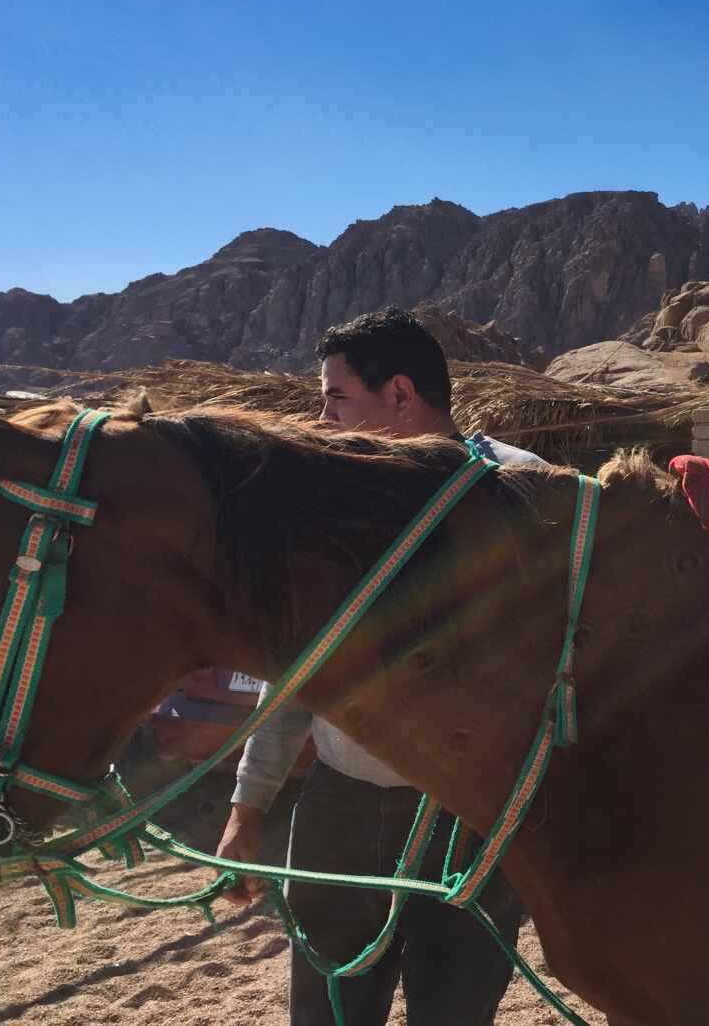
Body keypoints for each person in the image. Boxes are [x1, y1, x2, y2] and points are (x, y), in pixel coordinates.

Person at [216, 306, 536, 1026]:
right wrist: (248, 808)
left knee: (454, 1012)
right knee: (326, 1008)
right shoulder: (328, 504)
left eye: (335, 397)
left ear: (399, 394)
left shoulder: (521, 490)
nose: (321, 419)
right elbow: (297, 663)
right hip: (343, 808)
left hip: (473, 815)